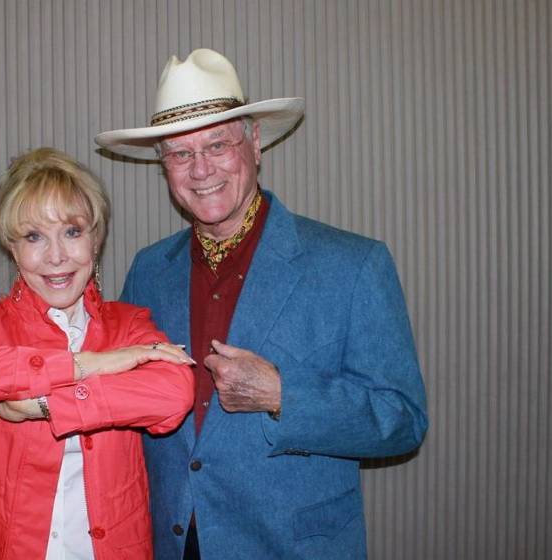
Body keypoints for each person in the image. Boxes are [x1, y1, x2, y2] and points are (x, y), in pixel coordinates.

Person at [94, 49, 429, 559]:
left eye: (216, 144)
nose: (200, 168)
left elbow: (402, 420)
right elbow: (111, 384)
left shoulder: (354, 265)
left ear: (254, 143)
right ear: (164, 166)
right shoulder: (148, 270)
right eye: (179, 154)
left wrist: (282, 394)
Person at [0, 147, 195, 559]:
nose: (56, 256)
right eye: (34, 237)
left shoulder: (129, 324)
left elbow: (174, 393)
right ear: (12, 248)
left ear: (96, 240)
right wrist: (89, 365)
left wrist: (44, 405)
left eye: (72, 231)